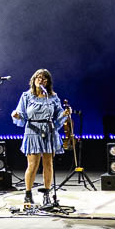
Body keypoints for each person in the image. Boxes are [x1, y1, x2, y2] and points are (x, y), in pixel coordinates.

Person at [11, 68, 71, 205]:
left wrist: (65, 113)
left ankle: (47, 194)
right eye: (38, 77)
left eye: (44, 78)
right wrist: (16, 115)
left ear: (48, 82)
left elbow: (58, 115)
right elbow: (21, 113)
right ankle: (28, 194)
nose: (41, 80)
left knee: (48, 164)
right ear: (33, 80)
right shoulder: (26, 96)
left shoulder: (53, 97)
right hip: (32, 131)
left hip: (49, 130)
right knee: (33, 165)